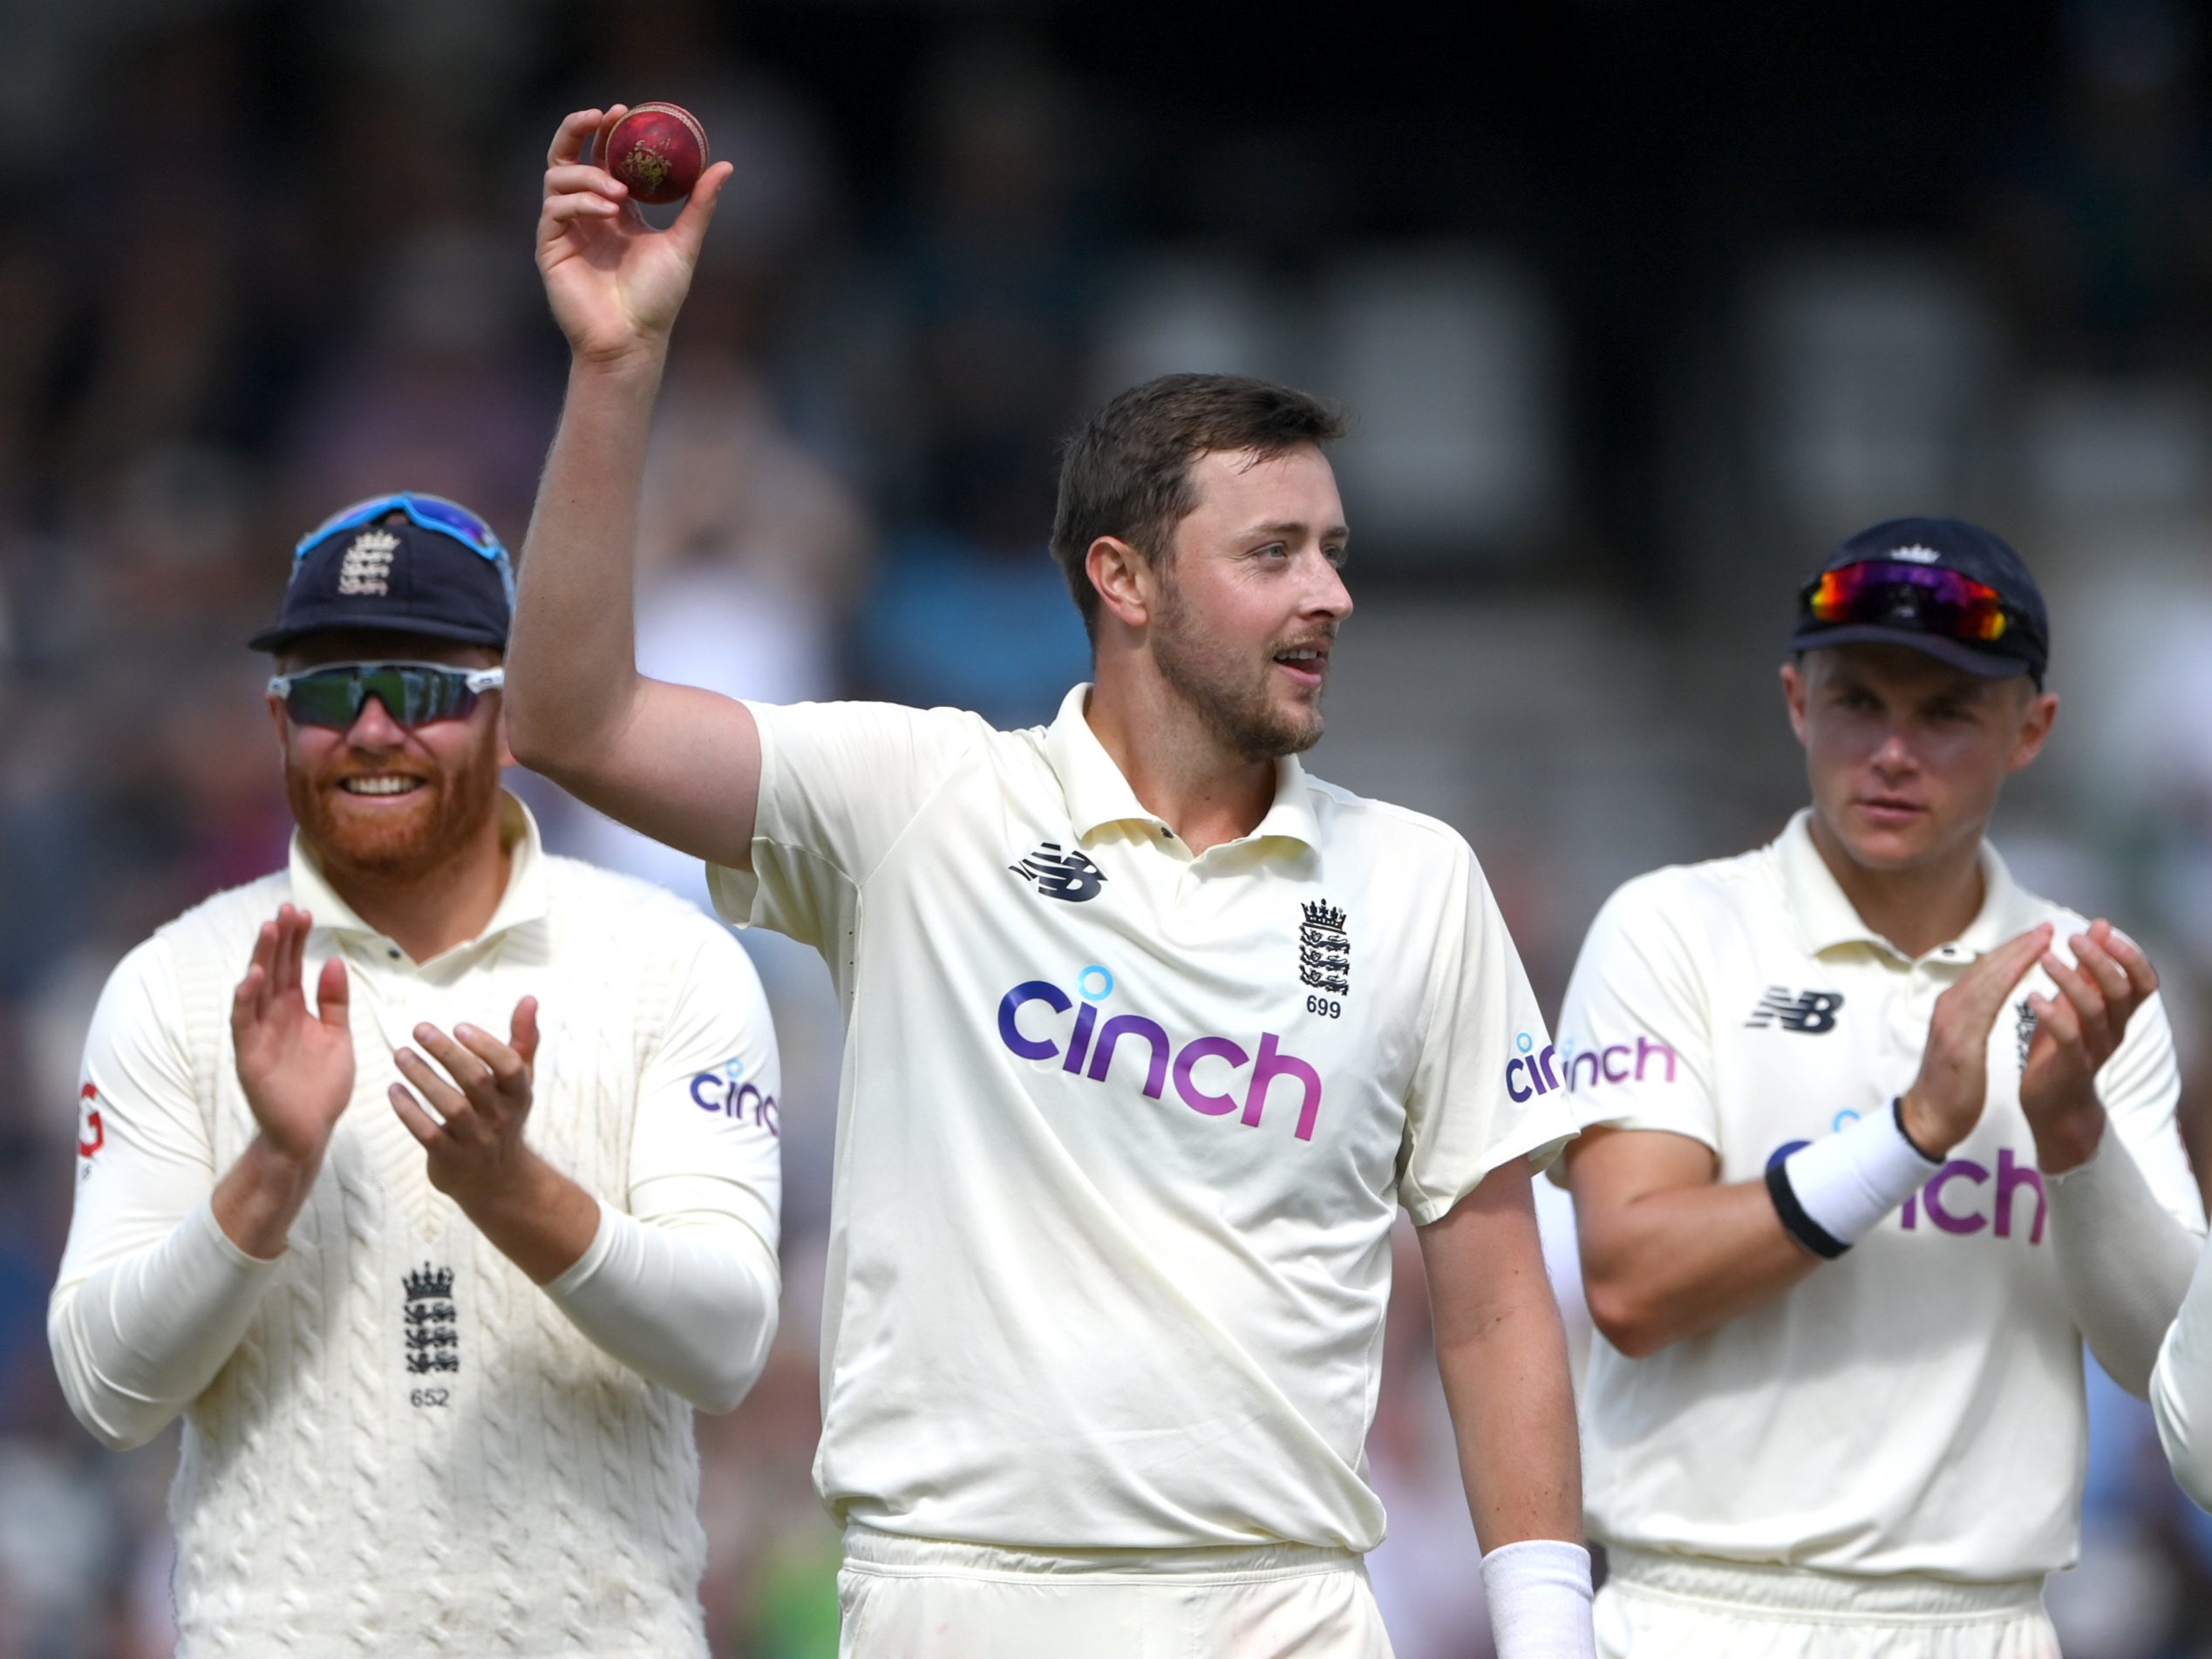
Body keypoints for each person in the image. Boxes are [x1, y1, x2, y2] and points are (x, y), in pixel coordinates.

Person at [505, 107, 1596, 1658]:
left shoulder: (1419, 882)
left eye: (1335, 551)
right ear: (1124, 580)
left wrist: (1547, 1637)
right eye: (1272, 552)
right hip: (963, 1598)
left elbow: (1490, 1302)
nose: (1331, 594)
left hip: (1285, 1608)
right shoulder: (917, 803)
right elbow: (572, 719)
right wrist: (617, 369)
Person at [47, 492, 785, 1656]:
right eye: (332, 692)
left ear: (513, 714)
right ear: (281, 719)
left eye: (427, 690)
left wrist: (511, 1193)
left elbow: (726, 1344)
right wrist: (273, 1170)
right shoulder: (174, 980)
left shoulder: (670, 961)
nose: (375, 730)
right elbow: (108, 1391)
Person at [1556, 517, 2206, 1657]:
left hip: (1984, 1624)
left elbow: (2180, 1385)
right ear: (1798, 704)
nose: (1892, 751)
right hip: (1697, 1618)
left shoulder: (2092, 985)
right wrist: (1910, 1136)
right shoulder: (1673, 929)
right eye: (1857, 700)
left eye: (1946, 712)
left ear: (2031, 730)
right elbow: (1628, 1281)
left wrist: (2073, 1140)